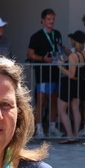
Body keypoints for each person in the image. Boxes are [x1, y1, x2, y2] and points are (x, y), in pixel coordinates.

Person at [27, 8, 64, 138]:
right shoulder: (36, 36)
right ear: (42, 20)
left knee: (54, 100)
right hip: (42, 73)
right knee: (41, 101)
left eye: (53, 19)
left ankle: (52, 128)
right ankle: (39, 129)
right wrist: (43, 58)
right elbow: (30, 54)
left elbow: (60, 49)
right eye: (48, 19)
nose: (51, 21)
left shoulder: (57, 34)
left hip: (55, 72)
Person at [57, 30, 85, 143]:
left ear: (75, 41)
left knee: (61, 109)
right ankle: (76, 134)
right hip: (79, 84)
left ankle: (70, 135)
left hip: (69, 84)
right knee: (75, 108)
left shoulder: (73, 56)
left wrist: (60, 66)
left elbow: (71, 74)